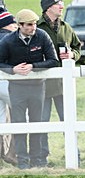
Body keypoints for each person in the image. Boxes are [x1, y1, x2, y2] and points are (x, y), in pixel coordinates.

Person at [0, 9, 59, 169]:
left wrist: (34, 66)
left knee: (37, 123)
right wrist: (13, 70)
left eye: (34, 24)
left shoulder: (42, 36)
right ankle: (23, 163)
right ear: (19, 25)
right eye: (28, 25)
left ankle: (37, 161)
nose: (33, 28)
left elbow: (53, 60)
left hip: (37, 87)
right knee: (19, 125)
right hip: (17, 89)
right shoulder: (8, 41)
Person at [37, 0, 82, 166]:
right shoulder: (37, 27)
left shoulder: (66, 27)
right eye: (58, 4)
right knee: (42, 123)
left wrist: (72, 54)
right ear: (48, 7)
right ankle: (41, 159)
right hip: (42, 85)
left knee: (69, 121)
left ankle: (75, 157)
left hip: (64, 86)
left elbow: (78, 47)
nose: (61, 6)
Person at [0, 9, 18, 165]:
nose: (16, 26)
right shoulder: (9, 39)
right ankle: (13, 153)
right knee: (21, 115)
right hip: (7, 83)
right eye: (13, 23)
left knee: (0, 119)